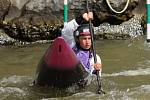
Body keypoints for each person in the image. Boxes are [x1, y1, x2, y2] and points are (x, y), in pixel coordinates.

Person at [61, 11, 102, 85]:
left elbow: (92, 80)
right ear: (78, 39)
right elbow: (66, 32)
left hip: (80, 83)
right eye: (84, 38)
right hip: (68, 76)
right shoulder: (71, 47)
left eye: (89, 38)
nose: (87, 42)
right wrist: (80, 19)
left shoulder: (95, 58)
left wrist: (95, 72)